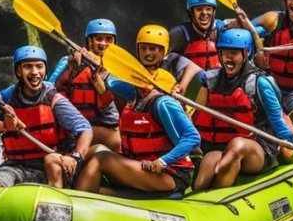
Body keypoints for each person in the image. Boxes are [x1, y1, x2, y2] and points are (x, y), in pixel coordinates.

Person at [74, 28, 200, 196]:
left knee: (102, 158)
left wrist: (163, 161)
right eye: (144, 48)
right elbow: (112, 82)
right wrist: (95, 59)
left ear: (163, 53)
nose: (148, 53)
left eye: (154, 49)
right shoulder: (134, 93)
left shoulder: (163, 103)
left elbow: (193, 137)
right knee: (96, 149)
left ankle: (78, 202)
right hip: (139, 165)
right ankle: (72, 185)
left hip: (168, 173)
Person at [190, 29, 293, 190]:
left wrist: (289, 143)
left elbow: (277, 119)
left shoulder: (260, 83)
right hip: (220, 145)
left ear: (246, 53)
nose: (228, 57)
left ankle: (220, 197)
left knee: (237, 147)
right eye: (224, 53)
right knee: (209, 161)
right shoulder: (210, 81)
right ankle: (196, 198)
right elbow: (196, 116)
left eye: (234, 53)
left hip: (258, 146)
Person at [0, 46, 93, 188]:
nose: (34, 72)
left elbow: (85, 129)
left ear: (45, 70)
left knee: (51, 161)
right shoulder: (5, 97)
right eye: (28, 67)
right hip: (16, 165)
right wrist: (5, 125)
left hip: (49, 166)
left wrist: (76, 156)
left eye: (39, 66)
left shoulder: (53, 99)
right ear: (18, 71)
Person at [46, 19, 121, 151]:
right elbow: (47, 88)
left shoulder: (119, 69)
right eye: (99, 39)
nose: (104, 44)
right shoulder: (69, 62)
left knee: (117, 141)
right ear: (89, 41)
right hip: (75, 125)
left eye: (108, 39)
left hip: (106, 125)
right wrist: (73, 70)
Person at [169, 0, 226, 72]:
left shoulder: (220, 29)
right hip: (187, 81)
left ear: (214, 12)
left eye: (208, 9)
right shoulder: (178, 35)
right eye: (199, 9)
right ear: (191, 13)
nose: (204, 13)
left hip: (216, 81)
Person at [139, 24, 202, 96]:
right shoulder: (136, 67)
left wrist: (180, 87)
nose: (147, 53)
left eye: (152, 49)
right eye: (143, 48)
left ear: (163, 50)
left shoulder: (172, 60)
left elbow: (194, 69)